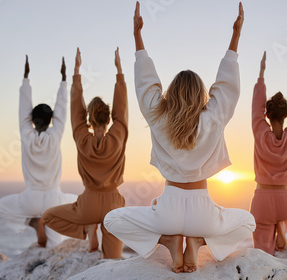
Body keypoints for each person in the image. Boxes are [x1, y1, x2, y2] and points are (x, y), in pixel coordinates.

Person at [104, 2, 255, 274]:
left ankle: (167, 240)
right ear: (202, 96)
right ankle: (197, 242)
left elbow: (145, 85)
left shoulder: (159, 119)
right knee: (249, 221)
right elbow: (228, 86)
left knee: (111, 218)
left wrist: (138, 36)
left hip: (168, 211)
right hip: (203, 211)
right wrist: (235, 36)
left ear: (170, 93)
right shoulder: (213, 119)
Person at [42, 47, 128, 259]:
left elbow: (76, 112)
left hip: (87, 204)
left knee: (47, 217)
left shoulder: (82, 137)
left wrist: (77, 72)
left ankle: (88, 230)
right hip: (113, 204)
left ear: (90, 121)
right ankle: (99, 239)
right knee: (112, 263)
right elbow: (122, 110)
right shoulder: (118, 134)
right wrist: (119, 72)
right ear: (109, 119)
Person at [0, 56, 77, 248]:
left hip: (30, 199)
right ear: (51, 120)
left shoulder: (26, 135)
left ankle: (33, 222)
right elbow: (62, 111)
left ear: (32, 121)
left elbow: (23, 110)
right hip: (54, 199)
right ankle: (49, 231)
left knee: (1, 206)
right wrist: (64, 81)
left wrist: (26, 79)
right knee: (80, 205)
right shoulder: (55, 134)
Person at [249, 49, 287, 255]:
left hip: (262, 200)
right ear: (286, 115)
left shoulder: (260, 133)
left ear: (267, 113)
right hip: (285, 201)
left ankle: (275, 232)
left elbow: (255, 109)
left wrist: (261, 74)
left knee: (263, 256)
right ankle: (282, 225)